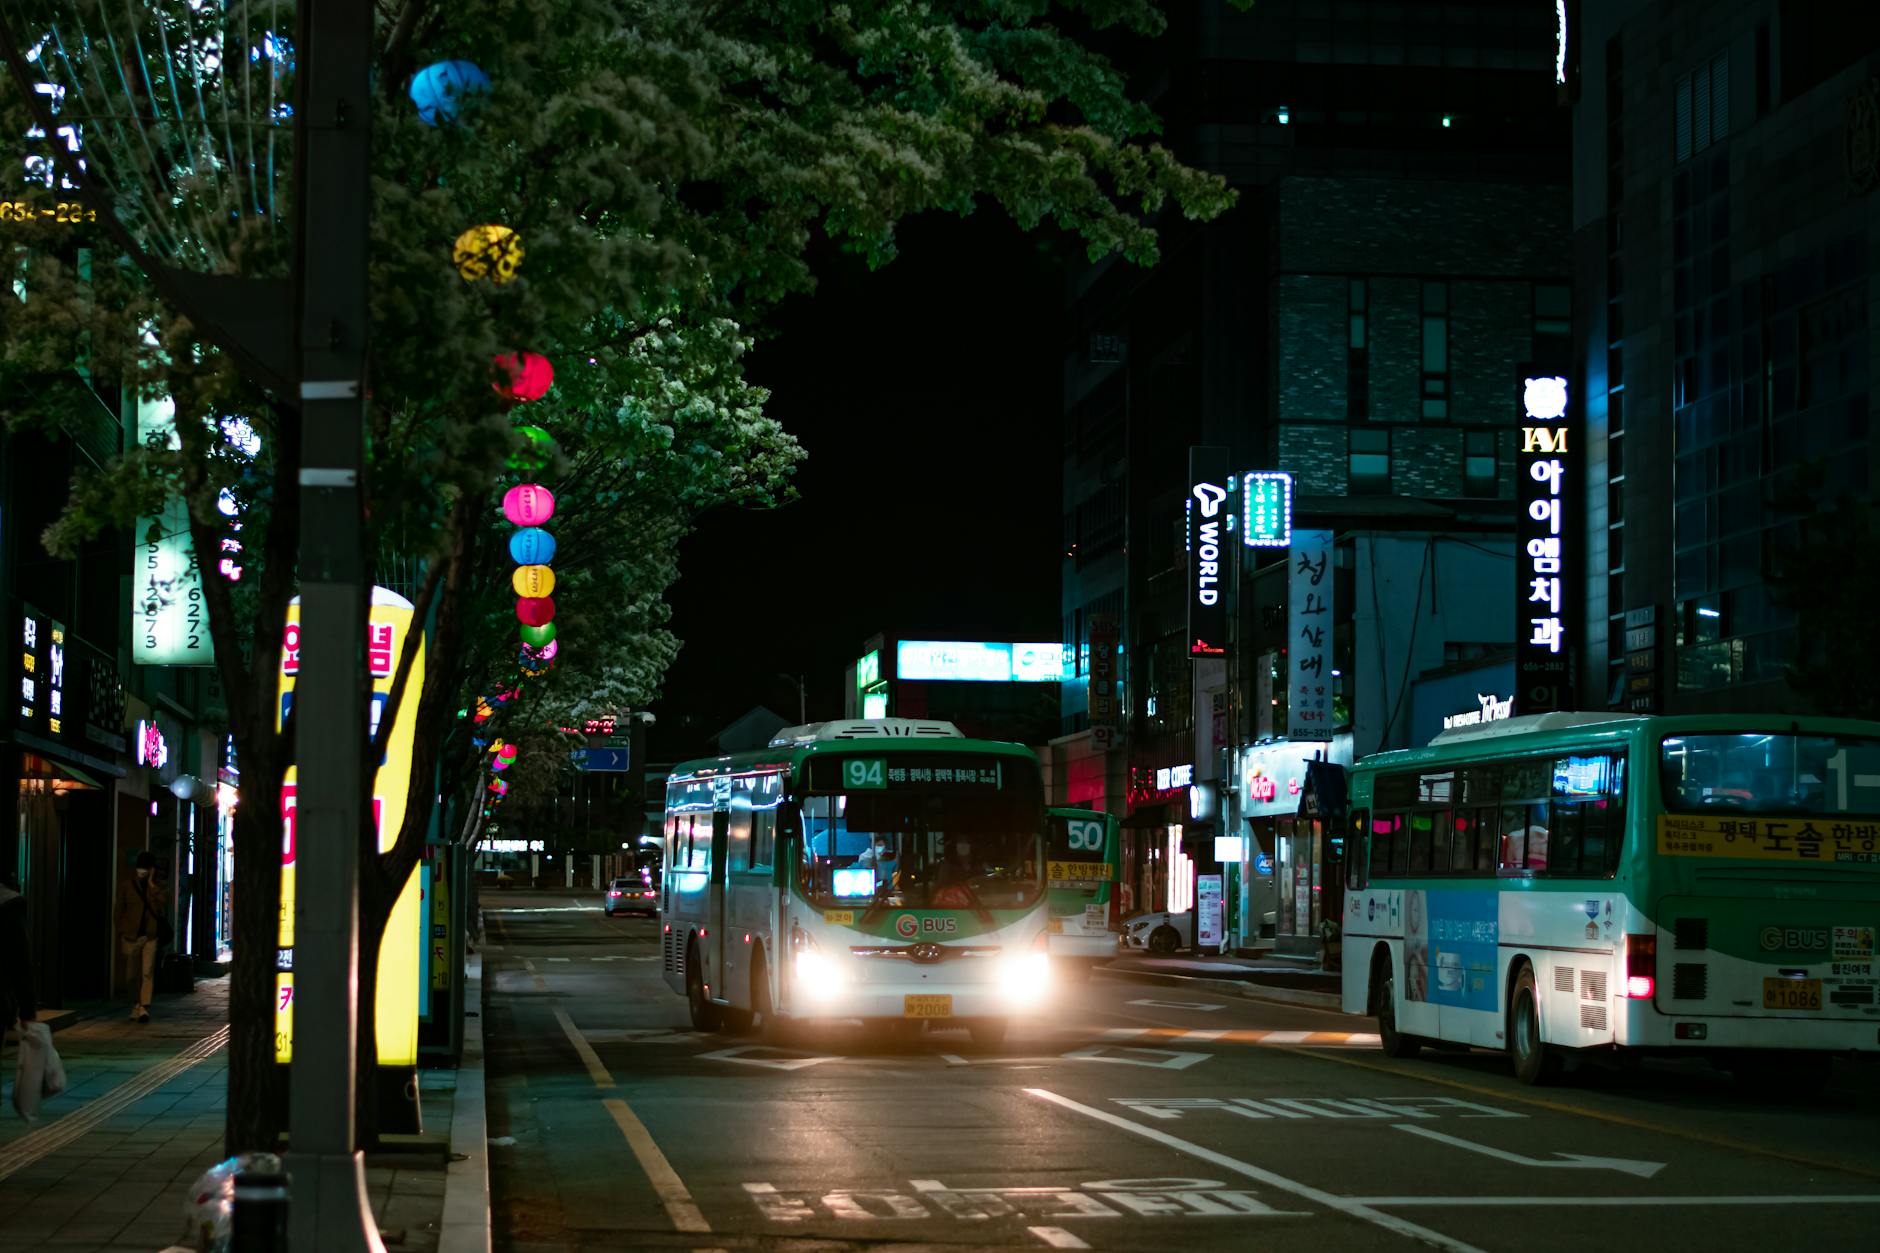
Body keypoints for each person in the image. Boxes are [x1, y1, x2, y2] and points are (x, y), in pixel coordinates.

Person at [113, 852, 168, 1023]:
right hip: (131, 936)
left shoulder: (157, 887)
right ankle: (135, 1003)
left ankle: (144, 1007)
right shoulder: (127, 886)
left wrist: (151, 885)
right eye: (141, 867)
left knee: (147, 972)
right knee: (131, 975)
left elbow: (161, 907)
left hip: (150, 936)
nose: (143, 871)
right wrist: (122, 929)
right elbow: (118, 910)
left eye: (146, 868)